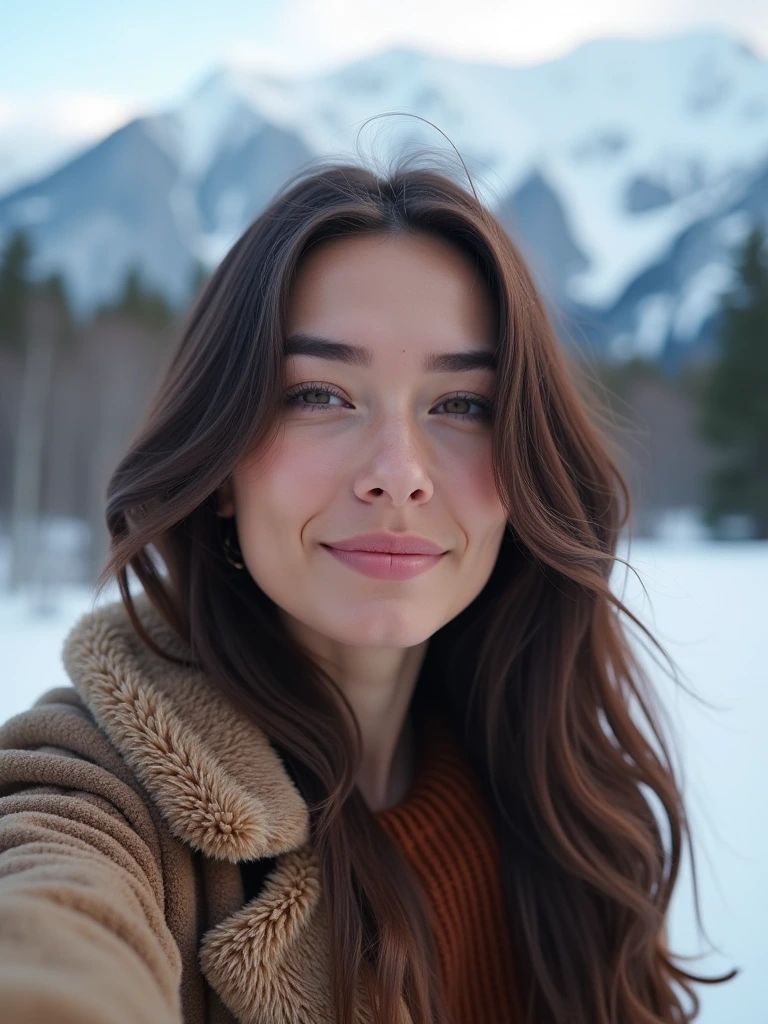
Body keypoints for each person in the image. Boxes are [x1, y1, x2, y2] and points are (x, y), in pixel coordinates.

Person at [0, 154, 737, 1024]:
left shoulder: (561, 810)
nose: (399, 475)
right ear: (225, 462)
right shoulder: (97, 799)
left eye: (462, 405)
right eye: (319, 393)